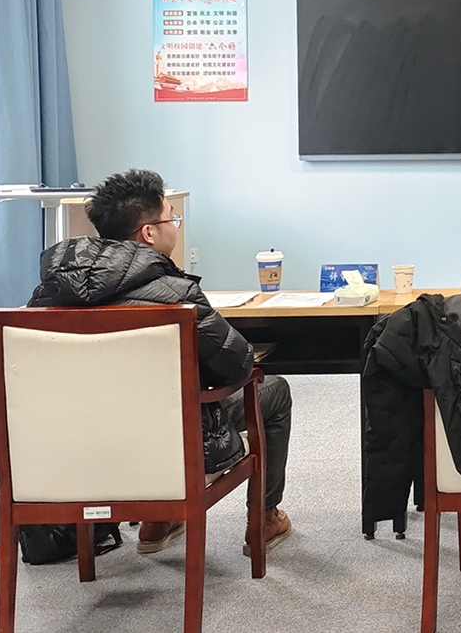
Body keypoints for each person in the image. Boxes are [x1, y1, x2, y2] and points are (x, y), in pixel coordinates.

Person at [26, 169, 294, 557]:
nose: (176, 226)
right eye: (172, 217)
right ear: (149, 233)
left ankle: (158, 520)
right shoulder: (176, 295)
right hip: (173, 443)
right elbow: (237, 365)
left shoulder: (47, 296)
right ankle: (264, 519)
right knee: (274, 390)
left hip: (81, 450)